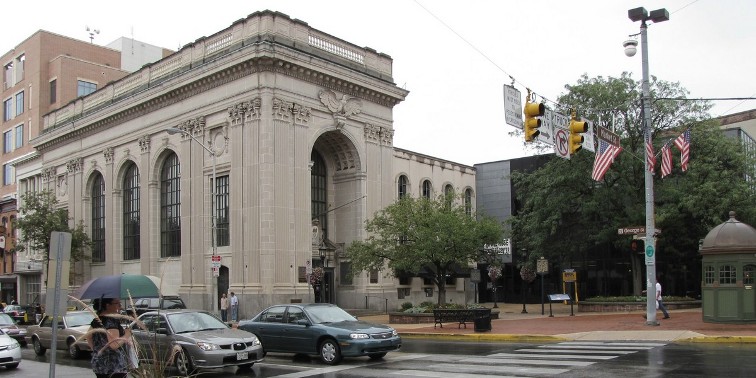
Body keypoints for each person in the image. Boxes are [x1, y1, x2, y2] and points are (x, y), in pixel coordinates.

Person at [86, 297, 132, 378]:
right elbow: (114, 344)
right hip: (113, 365)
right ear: (107, 305)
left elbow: (88, 337)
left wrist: (98, 350)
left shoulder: (96, 320)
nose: (120, 306)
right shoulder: (111, 321)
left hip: (99, 364)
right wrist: (126, 335)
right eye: (117, 303)